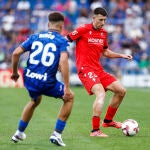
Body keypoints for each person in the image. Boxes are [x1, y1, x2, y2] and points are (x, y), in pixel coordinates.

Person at [67, 7, 132, 137]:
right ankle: (95, 131)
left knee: (121, 91)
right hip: (85, 69)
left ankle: (108, 121)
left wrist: (121, 55)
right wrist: (60, 59)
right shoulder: (83, 29)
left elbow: (106, 52)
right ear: (94, 18)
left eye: (105, 20)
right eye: (100, 19)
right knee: (101, 93)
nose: (102, 23)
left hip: (98, 69)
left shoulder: (103, 33)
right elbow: (65, 40)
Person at [11, 12, 74, 146]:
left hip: (29, 78)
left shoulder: (35, 36)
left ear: (47, 24)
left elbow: (16, 53)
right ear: (62, 26)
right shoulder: (61, 40)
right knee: (69, 97)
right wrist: (67, 87)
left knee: (35, 100)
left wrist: (15, 73)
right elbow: (63, 61)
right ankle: (57, 134)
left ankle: (19, 132)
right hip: (46, 81)